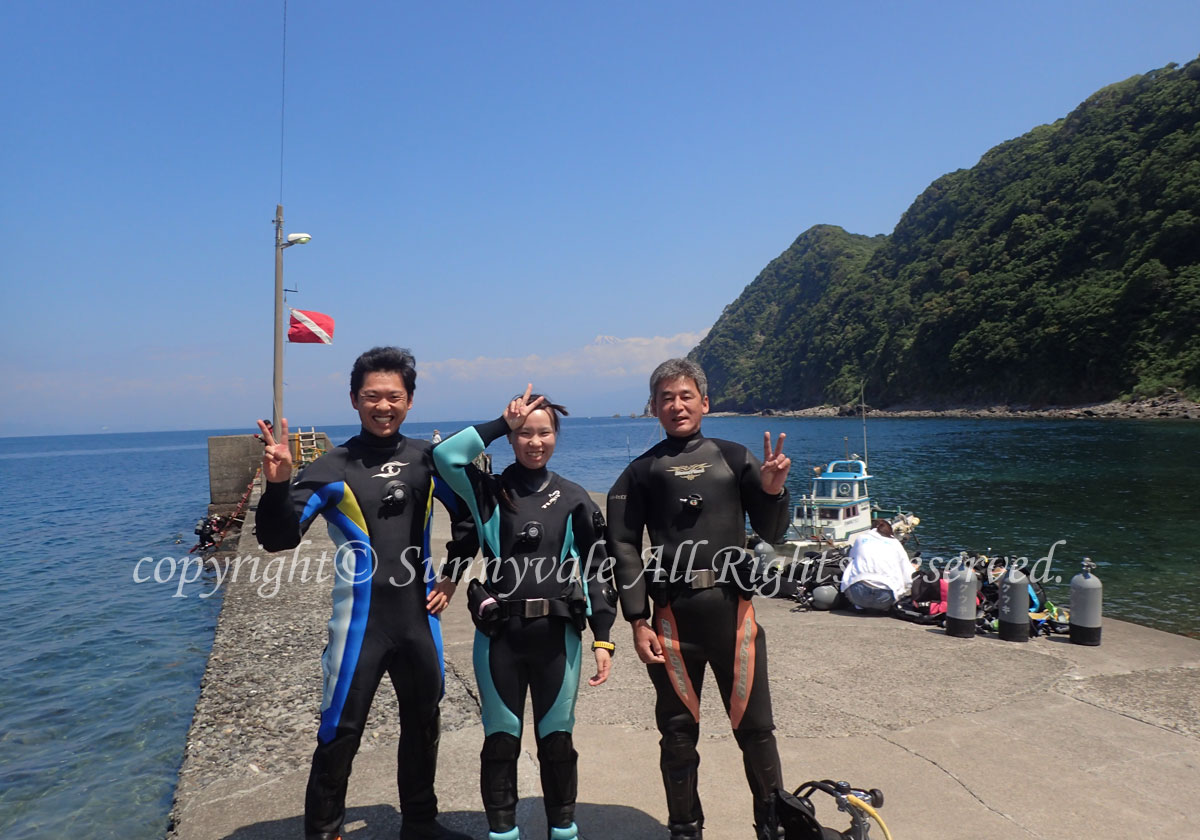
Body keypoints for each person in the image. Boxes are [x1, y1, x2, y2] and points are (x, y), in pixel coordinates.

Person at [255, 346, 477, 840]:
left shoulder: (427, 460)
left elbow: (471, 518)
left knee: (424, 722)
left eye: (394, 396)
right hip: (360, 623)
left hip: (419, 620)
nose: (383, 406)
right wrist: (277, 484)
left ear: (410, 400)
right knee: (340, 728)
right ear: (355, 400)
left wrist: (451, 577)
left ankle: (419, 824)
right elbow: (278, 538)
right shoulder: (332, 467)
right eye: (372, 396)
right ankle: (324, 830)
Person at [607, 358, 792, 840]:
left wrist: (773, 491)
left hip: (734, 616)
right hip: (671, 621)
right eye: (666, 397)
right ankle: (685, 831)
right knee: (677, 736)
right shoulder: (641, 472)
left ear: (704, 403)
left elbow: (772, 531)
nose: (676, 405)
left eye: (685, 395)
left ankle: (773, 829)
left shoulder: (734, 458)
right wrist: (637, 620)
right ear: (654, 407)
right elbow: (623, 545)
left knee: (755, 731)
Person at [433, 385, 616, 840]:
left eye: (544, 433)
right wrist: (500, 423)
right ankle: (503, 834)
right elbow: (445, 457)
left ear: (556, 437)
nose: (535, 442)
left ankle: (563, 832)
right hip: (501, 638)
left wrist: (603, 636)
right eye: (525, 433)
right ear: (513, 438)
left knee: (557, 743)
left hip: (559, 639)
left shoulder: (575, 498)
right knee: (500, 741)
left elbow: (597, 570)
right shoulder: (489, 492)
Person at [840, 519, 917, 612]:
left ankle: (859, 606)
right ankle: (884, 607)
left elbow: (851, 558)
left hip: (857, 596)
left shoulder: (860, 539)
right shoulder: (895, 543)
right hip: (885, 598)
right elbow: (908, 575)